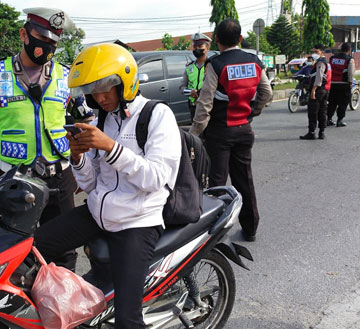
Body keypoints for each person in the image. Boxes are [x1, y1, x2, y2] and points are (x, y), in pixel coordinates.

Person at [35, 43, 181, 329]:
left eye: (106, 88)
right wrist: (77, 157)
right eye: (93, 90)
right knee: (34, 248)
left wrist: (111, 147)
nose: (99, 97)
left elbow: (155, 178)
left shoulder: (157, 115)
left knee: (128, 321)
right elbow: (92, 183)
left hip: (137, 222)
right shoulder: (104, 119)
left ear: (125, 82)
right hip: (97, 214)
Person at [0, 7, 78, 269]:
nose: (48, 47)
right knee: (15, 251)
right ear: (24, 34)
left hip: (60, 177)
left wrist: (84, 167)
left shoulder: (66, 76)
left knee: (64, 250)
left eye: (53, 42)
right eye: (43, 39)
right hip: (17, 179)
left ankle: (63, 305)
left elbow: (84, 121)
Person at [189, 19, 272, 242]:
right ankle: (251, 228)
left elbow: (205, 104)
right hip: (244, 130)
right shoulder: (254, 61)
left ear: (216, 40)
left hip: (220, 133)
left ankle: (213, 235)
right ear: (240, 39)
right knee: (244, 179)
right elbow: (266, 94)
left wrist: (193, 135)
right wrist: (250, 113)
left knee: (217, 184)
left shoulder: (216, 65)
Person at [300, 44, 332, 140]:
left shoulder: (320, 63)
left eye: (316, 52)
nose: (314, 54)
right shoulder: (326, 62)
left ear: (322, 52)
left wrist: (313, 90)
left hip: (318, 89)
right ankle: (322, 132)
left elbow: (319, 77)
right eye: (313, 51)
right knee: (322, 110)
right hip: (325, 90)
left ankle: (312, 132)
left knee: (313, 112)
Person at [180, 32, 212, 121]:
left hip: (208, 106)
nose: (197, 49)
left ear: (207, 48)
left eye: (200, 46)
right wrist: (190, 92)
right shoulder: (189, 67)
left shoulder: (212, 66)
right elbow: (182, 87)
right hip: (193, 105)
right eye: (195, 47)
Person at [327, 42, 355, 127]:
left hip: (332, 83)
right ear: (349, 50)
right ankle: (339, 120)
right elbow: (350, 73)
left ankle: (329, 119)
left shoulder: (332, 58)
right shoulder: (349, 59)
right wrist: (350, 82)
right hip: (343, 84)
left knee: (332, 102)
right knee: (343, 103)